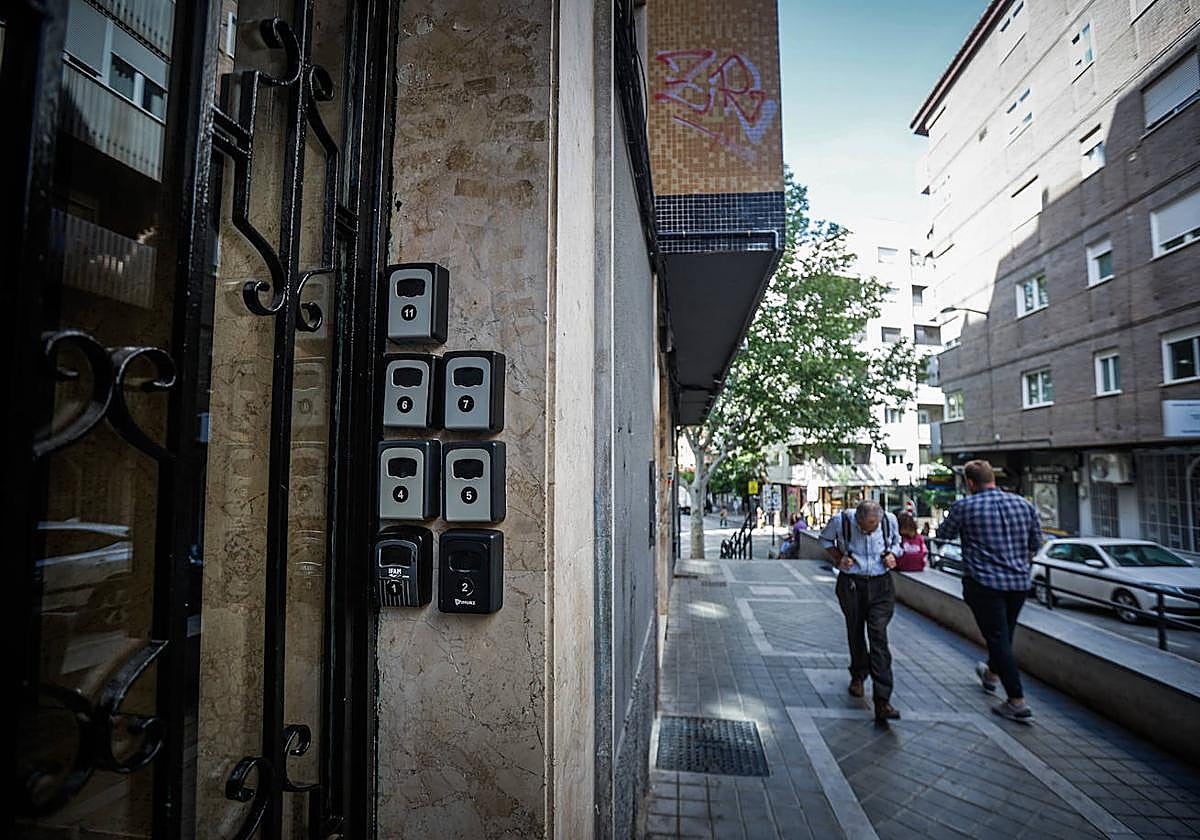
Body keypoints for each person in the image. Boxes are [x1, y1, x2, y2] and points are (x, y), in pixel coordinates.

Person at [936, 459, 1043, 723]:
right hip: (1018, 584)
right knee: (1004, 635)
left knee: (998, 638)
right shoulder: (1024, 504)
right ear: (992, 478)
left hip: (984, 584)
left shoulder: (964, 506)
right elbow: (1036, 543)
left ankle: (1016, 700)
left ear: (970, 483)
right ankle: (992, 674)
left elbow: (942, 535)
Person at [818, 500, 902, 723]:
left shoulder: (889, 521)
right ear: (857, 519)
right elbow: (824, 539)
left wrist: (893, 554)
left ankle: (882, 700)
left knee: (878, 636)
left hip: (881, 584)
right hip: (852, 584)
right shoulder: (842, 521)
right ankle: (858, 675)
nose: (868, 532)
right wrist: (838, 558)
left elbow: (897, 544)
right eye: (864, 527)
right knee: (855, 631)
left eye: (872, 528)